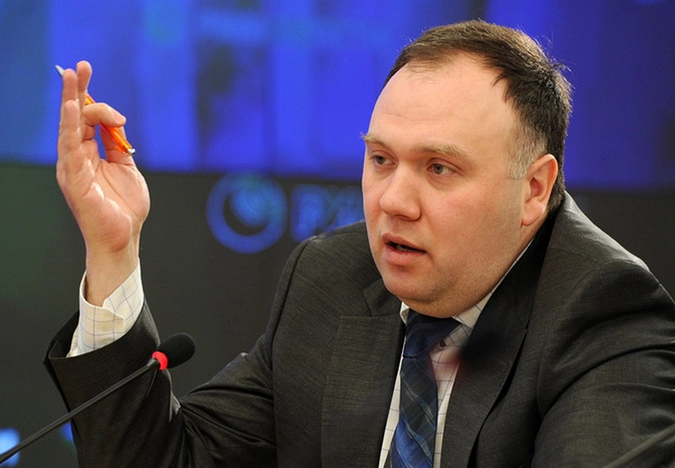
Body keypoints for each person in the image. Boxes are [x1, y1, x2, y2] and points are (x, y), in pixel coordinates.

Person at [45, 20, 675, 467]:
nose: (393, 201)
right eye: (381, 159)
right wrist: (113, 250)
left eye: (439, 168)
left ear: (534, 189)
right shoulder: (333, 278)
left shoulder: (604, 316)